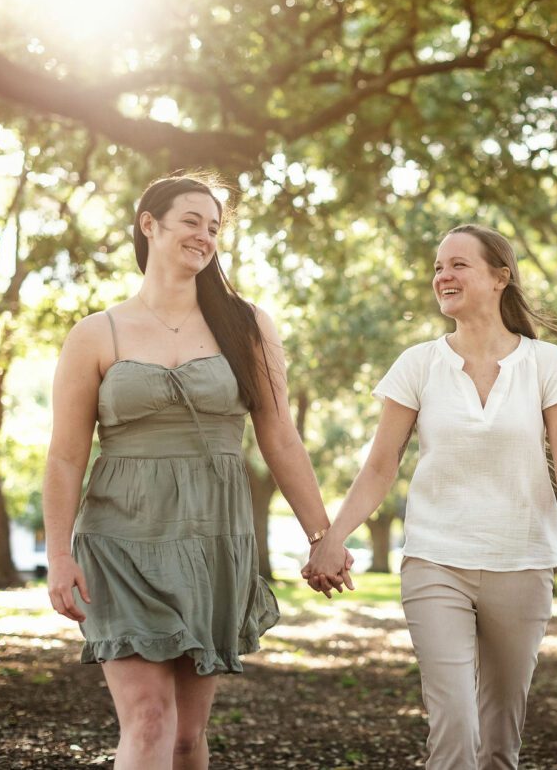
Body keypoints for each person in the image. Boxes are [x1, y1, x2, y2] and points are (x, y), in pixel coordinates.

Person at [43, 174, 350, 770]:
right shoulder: (95, 333)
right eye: (191, 221)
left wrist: (323, 535)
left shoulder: (247, 324)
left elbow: (279, 436)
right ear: (148, 224)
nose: (204, 236)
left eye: (214, 228)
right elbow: (64, 455)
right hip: (120, 542)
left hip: (212, 538)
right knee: (150, 721)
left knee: (187, 735)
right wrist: (59, 553)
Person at [303, 223, 557, 770]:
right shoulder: (418, 364)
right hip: (436, 562)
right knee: (454, 725)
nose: (443, 275)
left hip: (523, 563)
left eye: (458, 264)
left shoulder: (547, 365)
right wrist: (332, 538)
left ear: (499, 278)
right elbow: (379, 466)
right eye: (438, 266)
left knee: (499, 742)